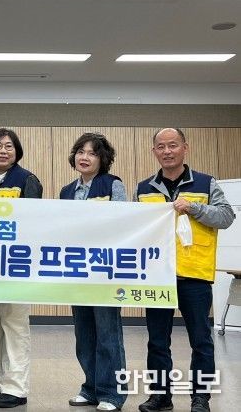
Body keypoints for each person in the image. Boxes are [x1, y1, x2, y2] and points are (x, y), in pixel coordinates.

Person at [135, 128, 235, 412]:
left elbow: (226, 216)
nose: (167, 151)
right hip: (157, 276)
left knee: (201, 340)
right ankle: (160, 396)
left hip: (194, 274)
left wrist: (193, 208)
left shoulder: (205, 183)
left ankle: (200, 398)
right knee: (157, 341)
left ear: (185, 148)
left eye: (173, 145)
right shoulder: (143, 188)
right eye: (161, 146)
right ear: (154, 151)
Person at [60, 133, 127, 412]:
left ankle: (112, 393)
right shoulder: (66, 191)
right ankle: (90, 388)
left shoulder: (112, 184)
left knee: (108, 334)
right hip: (77, 271)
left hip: (105, 271)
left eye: (92, 153)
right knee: (84, 334)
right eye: (80, 152)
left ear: (103, 159)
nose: (84, 157)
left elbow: (124, 223)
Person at [0, 128, 42, 408]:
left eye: (9, 147)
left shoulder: (27, 180)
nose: (3, 151)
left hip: (16, 265)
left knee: (14, 327)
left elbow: (34, 222)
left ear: (17, 152)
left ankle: (16, 387)